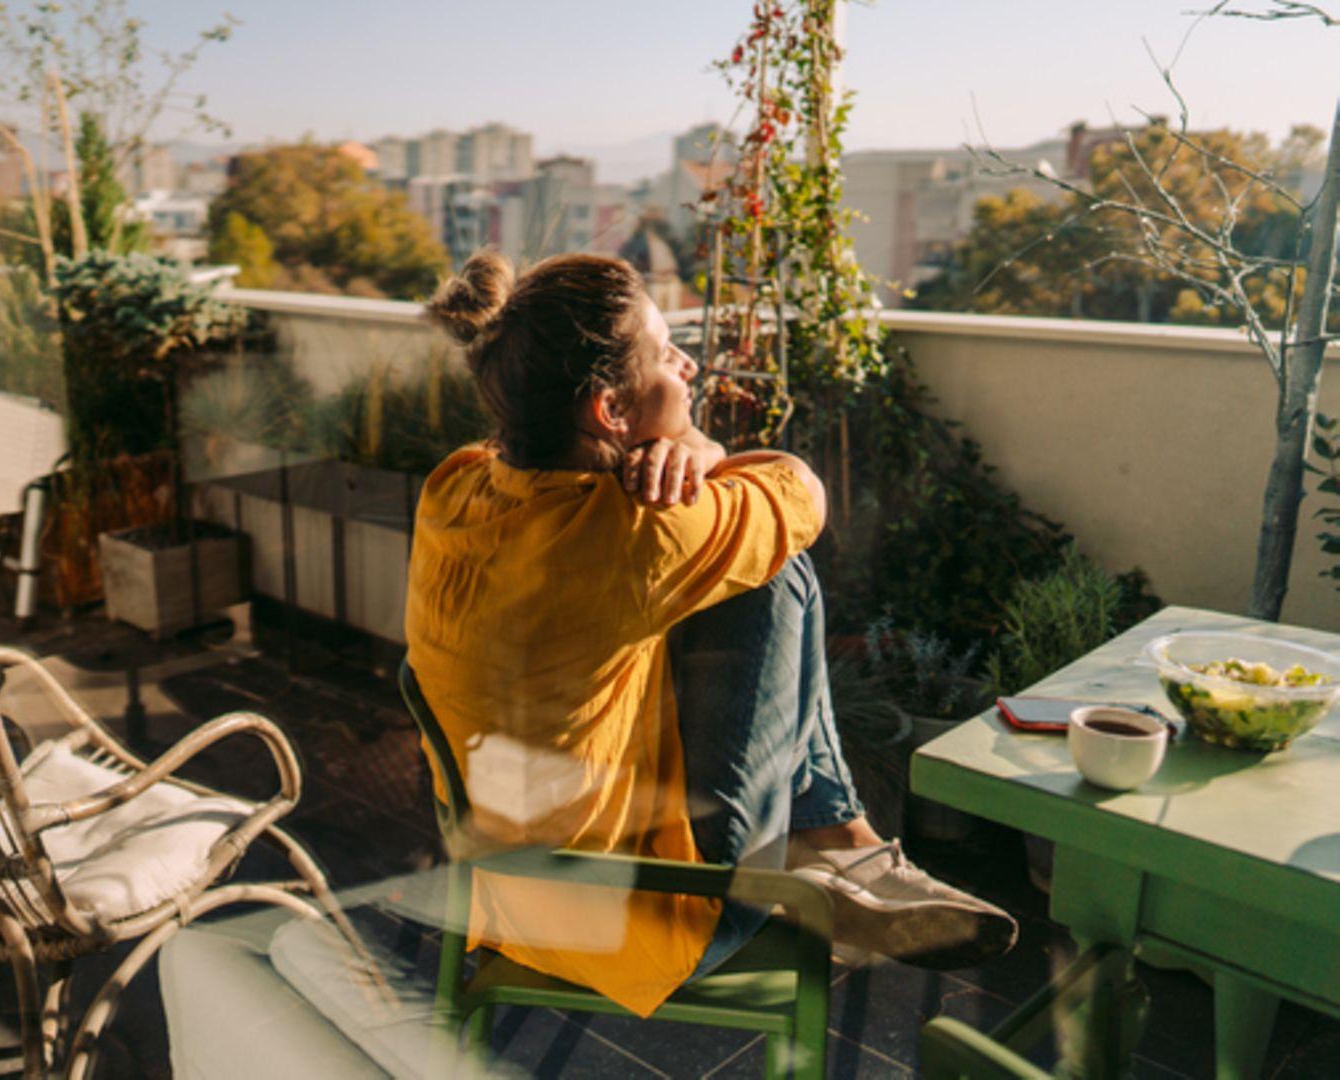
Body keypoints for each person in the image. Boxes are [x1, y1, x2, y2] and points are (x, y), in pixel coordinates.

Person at [404, 251, 1016, 1019]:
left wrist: (689, 451)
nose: (688, 365)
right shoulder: (639, 534)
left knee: (724, 576)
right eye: (666, 353)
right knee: (775, 573)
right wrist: (702, 453)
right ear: (609, 412)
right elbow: (803, 495)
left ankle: (837, 844)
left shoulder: (455, 485)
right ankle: (833, 844)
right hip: (641, 919)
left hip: (501, 895)